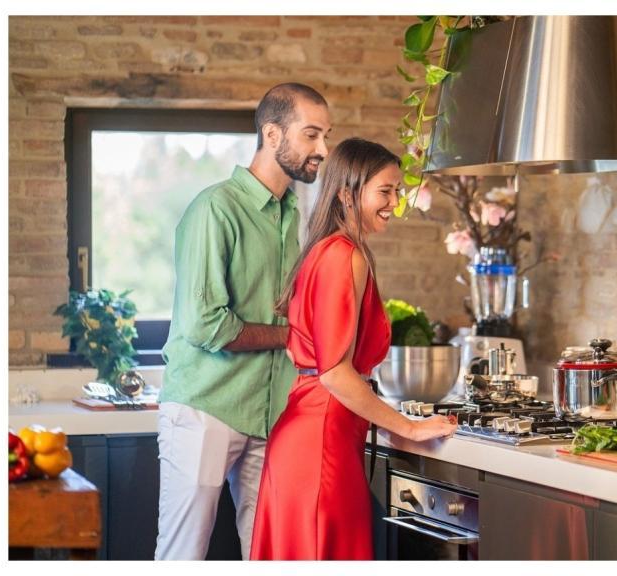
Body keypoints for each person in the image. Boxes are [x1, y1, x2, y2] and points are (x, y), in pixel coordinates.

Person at [249, 138, 457, 560]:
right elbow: (335, 372)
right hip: (321, 442)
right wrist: (411, 427)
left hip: (314, 435)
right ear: (347, 193)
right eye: (385, 191)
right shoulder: (345, 257)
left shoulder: (323, 252)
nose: (394, 203)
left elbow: (304, 355)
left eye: (397, 191)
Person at [155, 83, 332, 560]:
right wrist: (292, 336)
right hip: (204, 410)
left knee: (269, 555)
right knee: (182, 557)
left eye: (326, 137)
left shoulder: (293, 213)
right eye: (311, 135)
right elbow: (206, 325)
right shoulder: (216, 209)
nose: (323, 150)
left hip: (270, 413)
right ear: (272, 134)